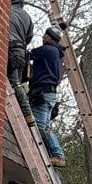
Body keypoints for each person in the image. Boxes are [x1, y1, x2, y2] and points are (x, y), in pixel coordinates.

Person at [26, 27, 68, 166]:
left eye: (45, 35)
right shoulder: (58, 54)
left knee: (40, 127)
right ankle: (55, 153)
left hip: (42, 93)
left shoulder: (47, 50)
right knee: (46, 126)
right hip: (49, 94)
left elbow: (28, 55)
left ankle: (57, 154)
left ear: (50, 37)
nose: (43, 36)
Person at [8, 0, 35, 96]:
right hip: (21, 53)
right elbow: (29, 37)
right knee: (17, 82)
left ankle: (24, 106)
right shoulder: (28, 17)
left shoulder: (8, 10)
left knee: (14, 83)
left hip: (11, 50)